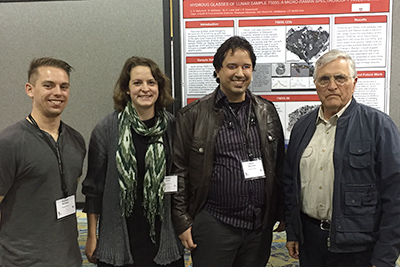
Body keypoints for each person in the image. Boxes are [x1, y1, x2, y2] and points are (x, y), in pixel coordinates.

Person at [172, 36, 285, 267]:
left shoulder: (267, 111)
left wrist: (282, 211)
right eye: (232, 66)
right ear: (218, 70)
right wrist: (182, 221)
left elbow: (279, 166)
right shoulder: (192, 115)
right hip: (215, 224)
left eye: (246, 67)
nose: (239, 73)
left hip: (258, 228)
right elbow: (178, 171)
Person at [283, 49, 400, 267]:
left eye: (340, 78)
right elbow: (290, 185)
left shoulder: (379, 126)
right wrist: (293, 231)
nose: (332, 86)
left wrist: (385, 256)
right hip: (310, 243)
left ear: (354, 83)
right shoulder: (301, 127)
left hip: (358, 247)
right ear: (316, 84)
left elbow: (395, 196)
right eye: (324, 79)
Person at [82, 56, 184, 267]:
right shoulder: (107, 129)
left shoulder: (173, 127)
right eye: (137, 83)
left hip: (163, 232)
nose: (145, 89)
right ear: (127, 89)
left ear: (159, 87)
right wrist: (92, 235)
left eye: (151, 82)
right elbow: (93, 189)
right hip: (120, 233)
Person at [0, 57, 86, 266]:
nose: (58, 92)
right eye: (48, 85)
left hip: (69, 259)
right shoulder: (10, 142)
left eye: (63, 87)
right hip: (21, 261)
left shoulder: (76, 140)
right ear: (30, 89)